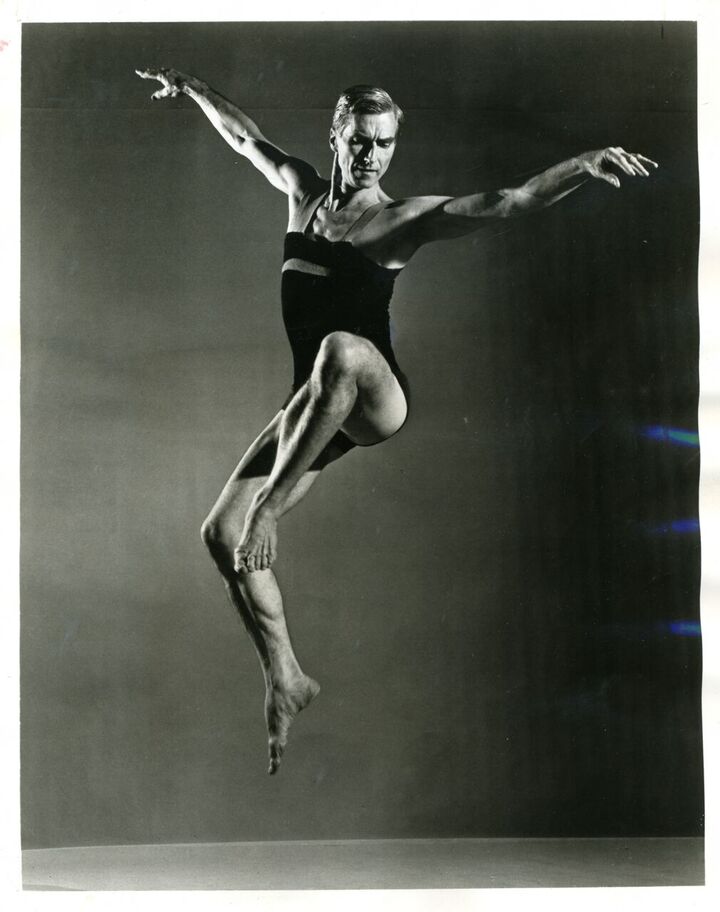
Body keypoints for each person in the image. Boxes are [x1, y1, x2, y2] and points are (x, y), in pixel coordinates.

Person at [136, 67, 658, 774]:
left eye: (383, 145)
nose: (370, 157)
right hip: (315, 400)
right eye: (358, 141)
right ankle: (286, 676)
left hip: (375, 393)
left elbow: (509, 201)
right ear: (335, 136)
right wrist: (192, 88)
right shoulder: (300, 193)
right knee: (218, 534)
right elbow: (243, 137)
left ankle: (269, 510)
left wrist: (581, 164)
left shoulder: (404, 218)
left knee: (340, 351)